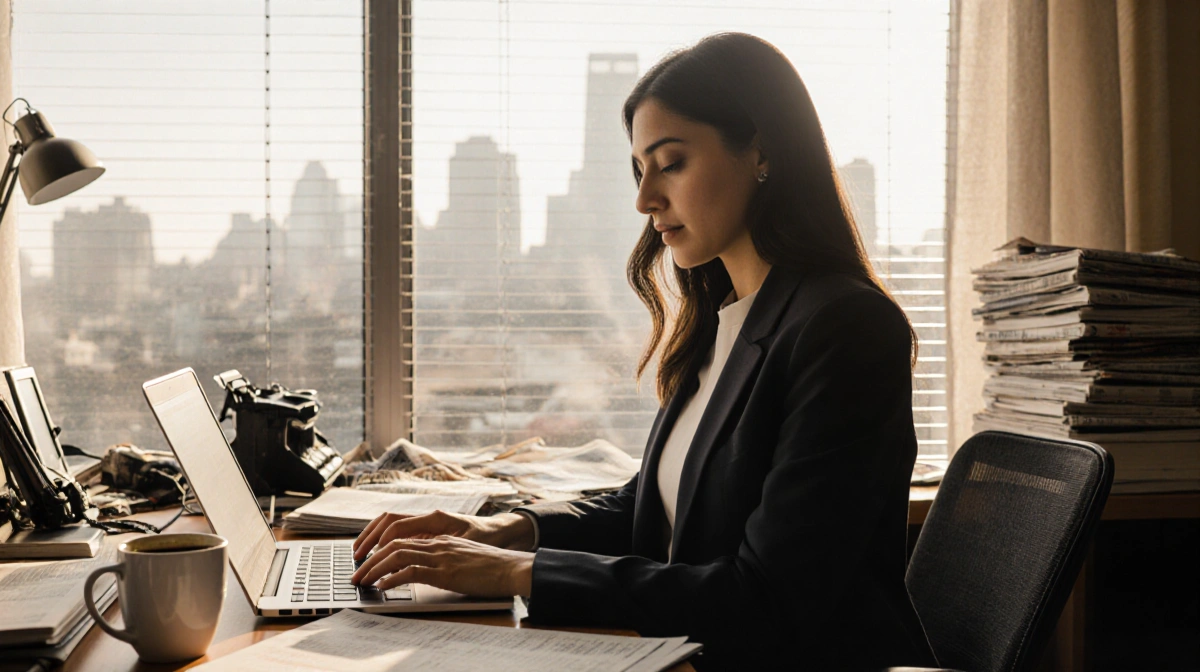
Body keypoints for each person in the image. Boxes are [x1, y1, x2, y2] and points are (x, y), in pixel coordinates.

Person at [351, 32, 937, 669]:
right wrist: (500, 529)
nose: (644, 199)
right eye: (639, 169)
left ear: (761, 150)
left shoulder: (843, 327)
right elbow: (652, 503)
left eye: (671, 163)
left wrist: (520, 572)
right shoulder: (724, 319)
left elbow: (767, 599)